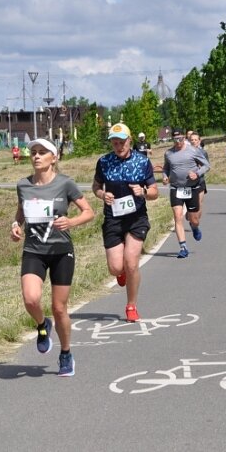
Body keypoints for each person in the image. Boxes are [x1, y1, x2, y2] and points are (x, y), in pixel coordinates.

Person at [11, 138, 94, 377]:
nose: (36, 156)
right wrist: (16, 225)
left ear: (53, 158)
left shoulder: (65, 184)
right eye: (33, 153)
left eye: (42, 152)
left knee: (59, 309)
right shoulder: (23, 185)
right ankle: (41, 325)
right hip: (34, 250)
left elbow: (89, 212)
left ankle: (66, 353)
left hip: (61, 251)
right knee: (30, 299)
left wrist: (72, 221)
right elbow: (21, 210)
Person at [92, 123, 159, 322]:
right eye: (115, 143)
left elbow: (155, 192)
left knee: (131, 262)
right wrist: (103, 194)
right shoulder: (104, 162)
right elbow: (95, 186)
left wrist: (144, 192)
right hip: (113, 217)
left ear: (130, 141)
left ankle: (131, 305)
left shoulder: (142, 162)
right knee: (115, 267)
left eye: (122, 142)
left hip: (136, 218)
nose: (119, 146)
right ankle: (120, 273)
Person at [161, 129, 210, 259]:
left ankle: (194, 228)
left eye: (181, 138)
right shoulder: (169, 153)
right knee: (178, 217)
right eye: (175, 139)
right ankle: (183, 247)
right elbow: (166, 168)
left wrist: (197, 174)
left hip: (191, 188)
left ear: (184, 138)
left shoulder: (193, 151)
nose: (178, 141)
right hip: (176, 188)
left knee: (194, 219)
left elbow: (206, 165)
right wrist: (165, 177)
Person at [187, 132, 208, 221]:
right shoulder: (184, 152)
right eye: (192, 140)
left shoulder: (203, 152)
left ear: (199, 141)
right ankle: (191, 217)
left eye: (196, 140)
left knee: (198, 204)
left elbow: (207, 166)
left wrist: (199, 171)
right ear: (189, 141)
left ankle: (195, 224)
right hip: (187, 183)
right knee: (190, 208)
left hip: (200, 181)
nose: (194, 141)